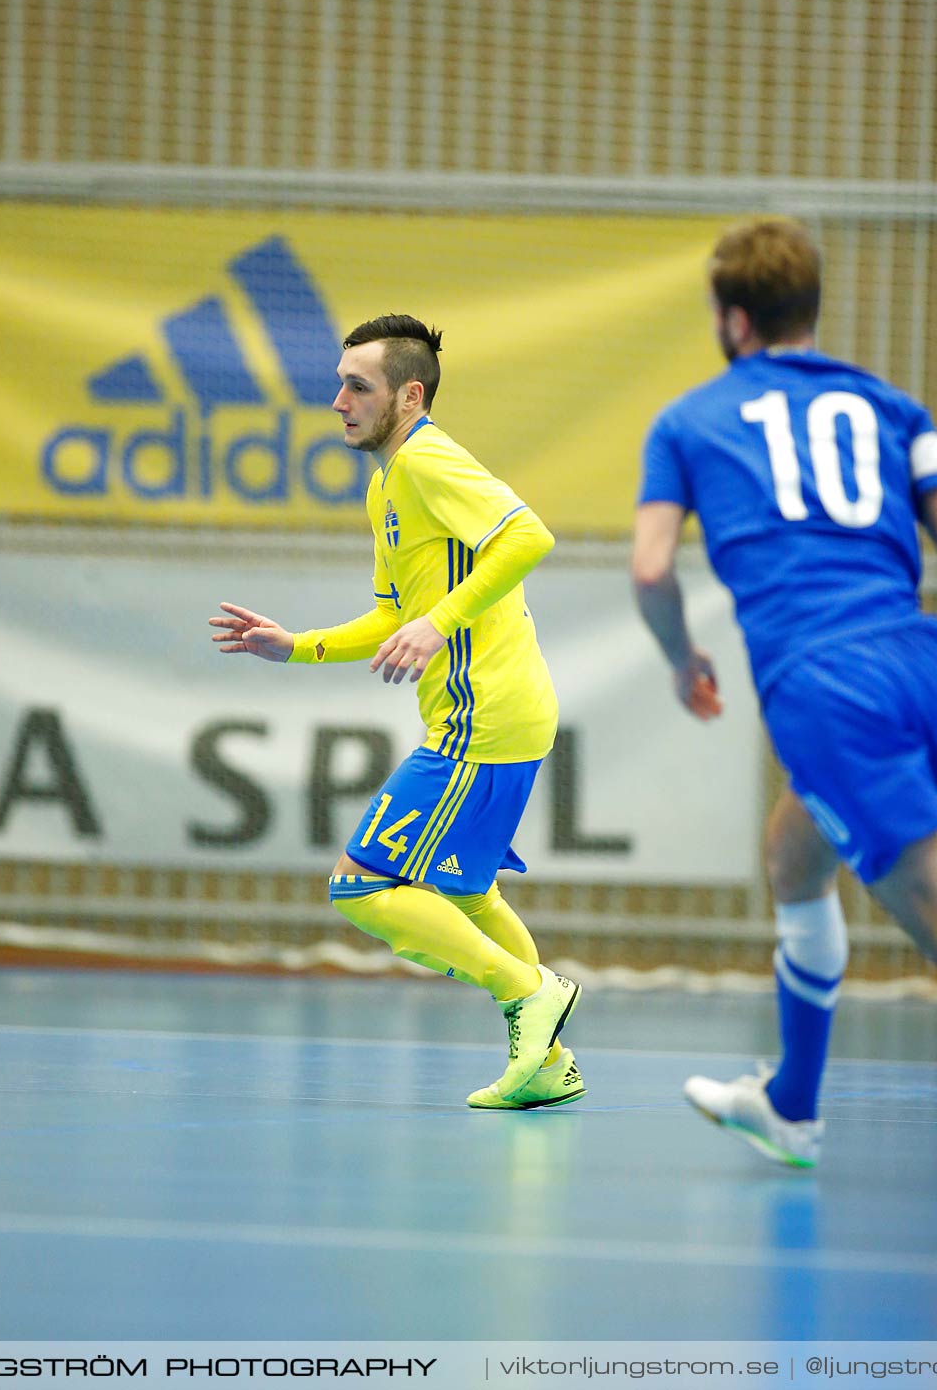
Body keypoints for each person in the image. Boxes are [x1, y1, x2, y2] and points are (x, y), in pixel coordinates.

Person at [210, 314, 583, 1109]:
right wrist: (297, 645)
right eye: (340, 381)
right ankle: (547, 1062)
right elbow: (390, 615)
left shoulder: (427, 459)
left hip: (480, 721)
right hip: (499, 712)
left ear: (409, 396)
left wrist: (439, 620)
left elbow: (528, 535)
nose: (337, 399)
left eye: (358, 385)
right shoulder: (387, 481)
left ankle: (529, 994)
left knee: (359, 885)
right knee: (468, 891)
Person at [632, 217, 937, 1168]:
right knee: (794, 858)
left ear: (731, 320)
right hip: (918, 651)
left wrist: (684, 658)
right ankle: (790, 1108)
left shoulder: (687, 422)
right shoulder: (895, 409)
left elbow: (650, 569)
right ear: (812, 308)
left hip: (828, 687)